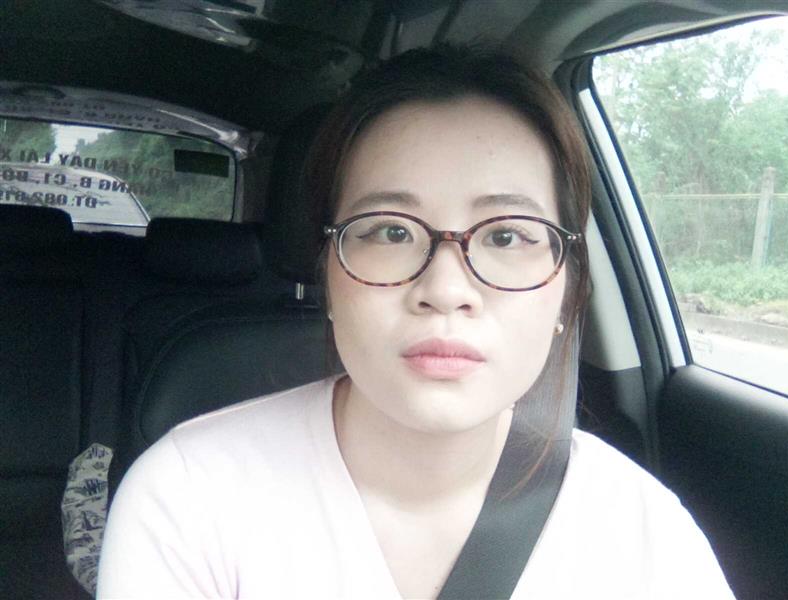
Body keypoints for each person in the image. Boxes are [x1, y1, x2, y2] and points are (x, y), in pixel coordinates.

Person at [96, 45, 734, 599]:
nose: (446, 290)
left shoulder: (642, 533)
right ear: (328, 273)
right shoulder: (190, 499)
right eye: (391, 232)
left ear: (566, 292)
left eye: (507, 236)